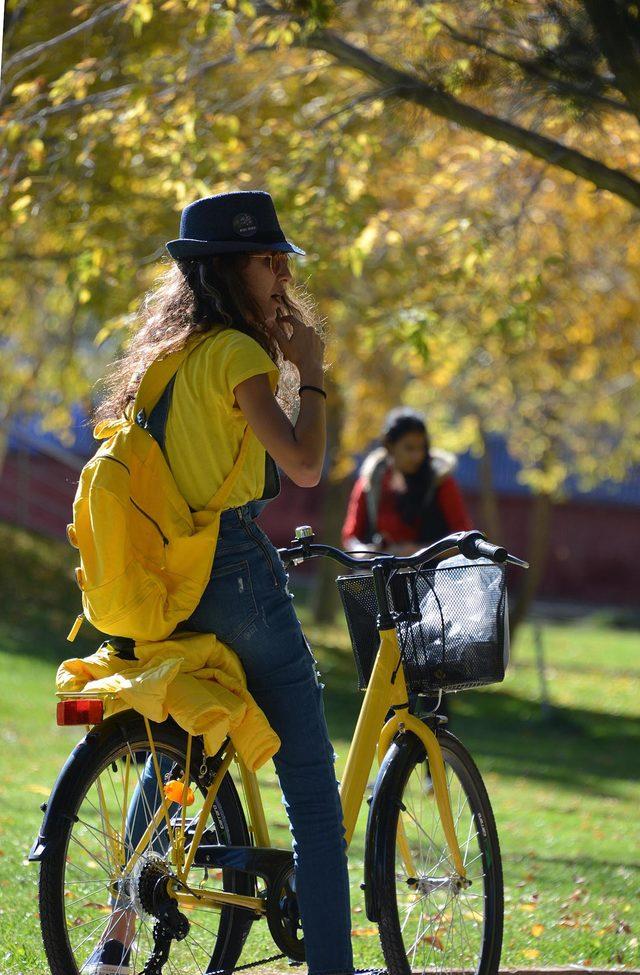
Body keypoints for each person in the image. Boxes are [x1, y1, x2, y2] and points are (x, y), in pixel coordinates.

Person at [86, 191, 354, 975]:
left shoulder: (163, 361)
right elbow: (304, 464)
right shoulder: (240, 355)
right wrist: (312, 374)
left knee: (181, 746)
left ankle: (114, 942)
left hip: (164, 578)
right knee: (309, 781)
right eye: (268, 258)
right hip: (232, 568)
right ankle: (332, 969)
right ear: (228, 269)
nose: (281, 272)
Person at [342, 407, 472, 555]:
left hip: (432, 574)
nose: (417, 456)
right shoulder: (371, 482)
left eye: (422, 448)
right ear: (389, 446)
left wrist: (416, 553)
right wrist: (365, 553)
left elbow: (464, 538)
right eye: (409, 448)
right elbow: (351, 537)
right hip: (384, 574)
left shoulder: (440, 481)